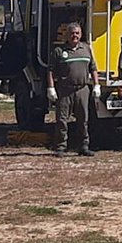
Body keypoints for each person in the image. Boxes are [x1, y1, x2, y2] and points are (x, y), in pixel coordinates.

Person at [46, 22, 101, 157]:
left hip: (82, 90)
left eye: (77, 33)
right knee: (62, 120)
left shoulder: (86, 49)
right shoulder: (59, 51)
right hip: (65, 90)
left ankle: (84, 146)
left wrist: (96, 85)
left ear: (81, 34)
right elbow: (50, 71)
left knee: (83, 120)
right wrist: (51, 88)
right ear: (67, 35)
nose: (74, 36)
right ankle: (60, 147)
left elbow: (93, 69)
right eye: (72, 33)